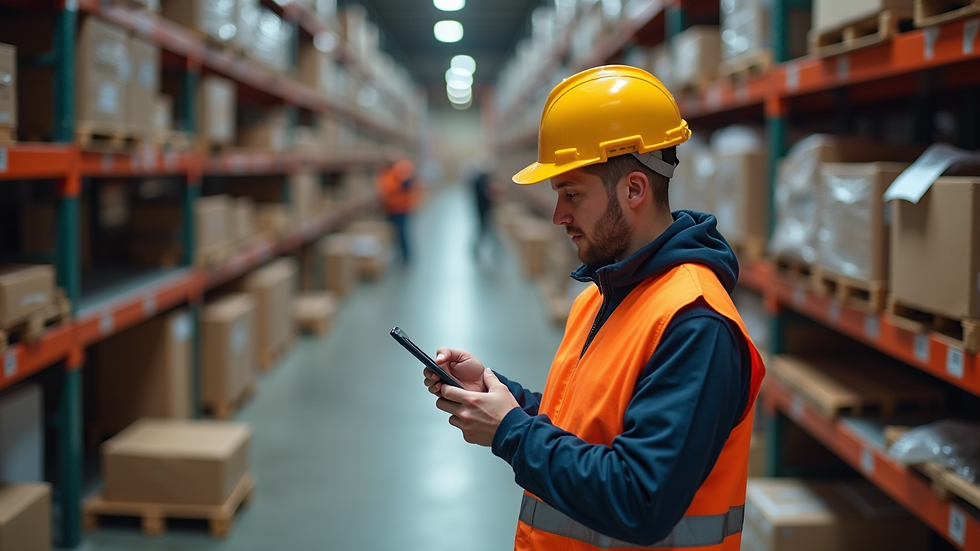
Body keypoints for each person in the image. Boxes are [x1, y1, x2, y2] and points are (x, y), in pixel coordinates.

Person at [422, 65, 766, 550]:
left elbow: (641, 499)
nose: (560, 214)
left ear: (633, 190)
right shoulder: (601, 296)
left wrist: (511, 432)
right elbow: (585, 424)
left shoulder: (696, 324)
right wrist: (501, 394)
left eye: (572, 194)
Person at [376, 155, 421, 265]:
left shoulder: (402, 167)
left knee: (402, 233)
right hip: (390, 208)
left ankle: (406, 257)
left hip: (401, 208)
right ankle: (397, 255)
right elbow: (384, 188)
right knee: (394, 234)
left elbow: (403, 184)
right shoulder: (386, 172)